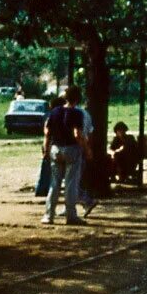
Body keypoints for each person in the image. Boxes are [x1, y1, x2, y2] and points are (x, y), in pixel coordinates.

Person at [41, 85, 89, 225]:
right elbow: (77, 134)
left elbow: (47, 133)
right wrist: (87, 149)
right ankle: (71, 215)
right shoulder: (77, 113)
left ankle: (49, 215)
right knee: (70, 184)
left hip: (55, 149)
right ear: (77, 98)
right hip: (71, 149)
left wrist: (46, 149)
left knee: (54, 183)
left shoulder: (55, 111)